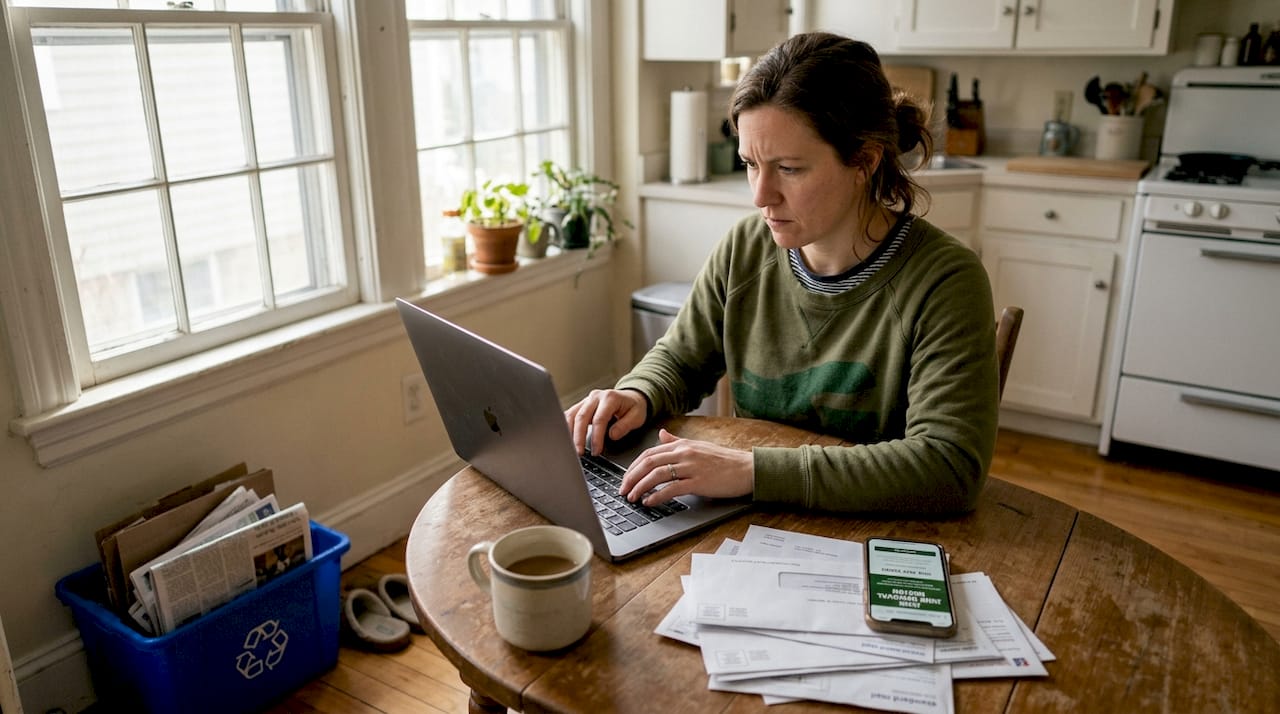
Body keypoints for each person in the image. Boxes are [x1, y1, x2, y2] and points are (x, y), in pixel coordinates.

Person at [566, 32, 998, 514]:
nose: (760, 195)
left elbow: (948, 467)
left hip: (881, 537)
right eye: (751, 164)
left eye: (789, 168)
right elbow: (682, 360)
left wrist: (751, 471)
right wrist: (636, 393)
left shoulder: (946, 280)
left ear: (866, 160)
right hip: (756, 528)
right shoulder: (746, 249)